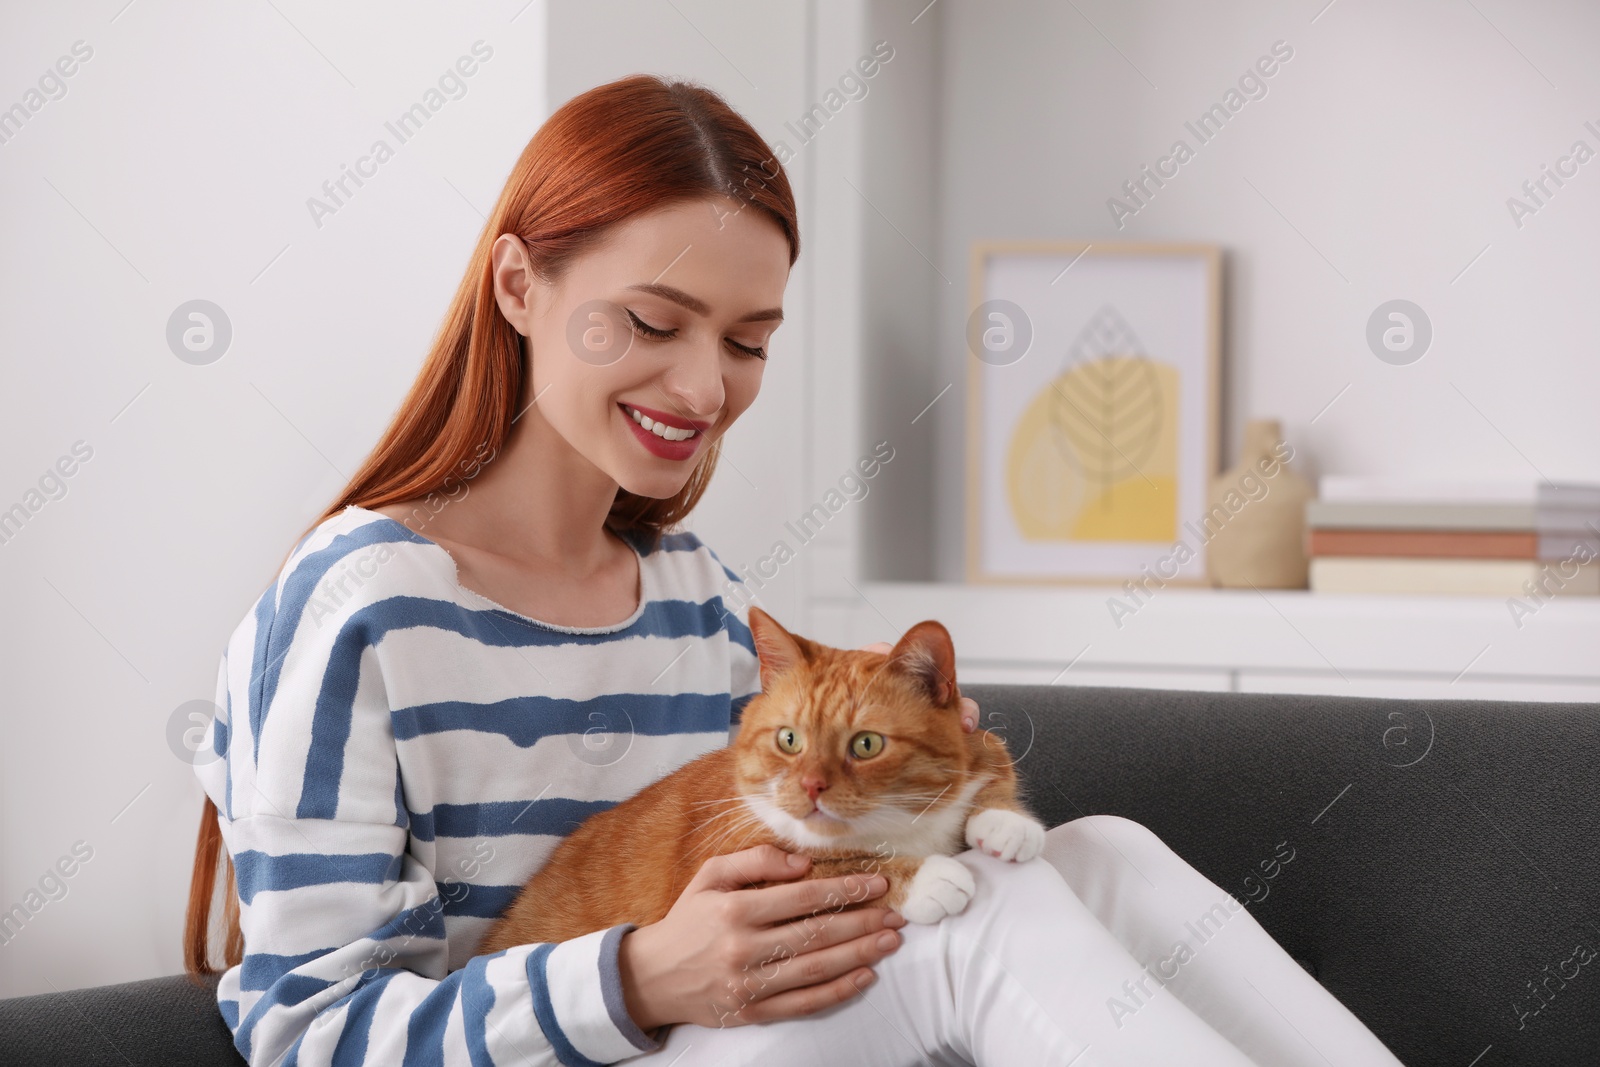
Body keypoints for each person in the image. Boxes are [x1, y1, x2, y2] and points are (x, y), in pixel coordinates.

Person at [182, 73, 1405, 1066]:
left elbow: (788, 851)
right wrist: (641, 973)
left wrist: (922, 782)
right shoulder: (361, 604)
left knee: (1107, 853)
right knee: (980, 931)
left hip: (727, 1036)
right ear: (519, 285)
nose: (706, 387)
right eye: (654, 324)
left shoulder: (694, 595)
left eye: (747, 340)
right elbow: (304, 1032)